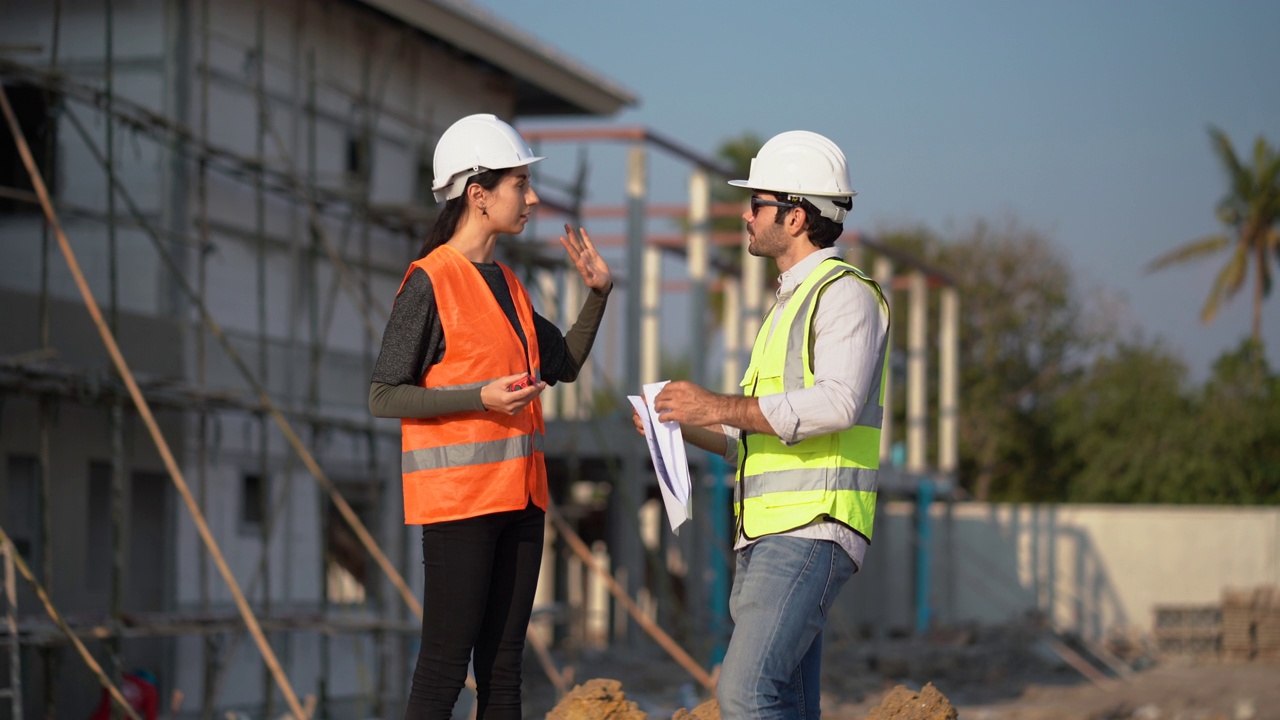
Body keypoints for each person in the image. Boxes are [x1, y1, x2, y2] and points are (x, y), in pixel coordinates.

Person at [369, 113, 612, 720]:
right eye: (519, 185)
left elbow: (566, 364)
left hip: (521, 503)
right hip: (460, 506)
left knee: (504, 672)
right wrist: (478, 397)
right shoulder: (429, 282)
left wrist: (599, 294)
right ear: (478, 194)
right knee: (445, 668)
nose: (531, 198)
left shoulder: (509, 283)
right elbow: (382, 394)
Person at [641, 130, 889, 720]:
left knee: (745, 693)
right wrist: (675, 422)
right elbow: (748, 435)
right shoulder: (787, 306)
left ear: (796, 215)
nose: (745, 216)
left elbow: (835, 404)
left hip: (811, 527)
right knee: (787, 703)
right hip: (769, 532)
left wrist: (716, 406)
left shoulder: (844, 295)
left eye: (756, 204)